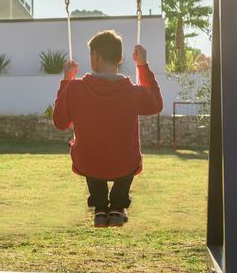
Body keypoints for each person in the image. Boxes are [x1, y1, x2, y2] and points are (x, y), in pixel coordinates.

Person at [52, 30, 163, 228]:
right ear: (120, 59)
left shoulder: (75, 89)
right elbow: (156, 104)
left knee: (89, 150)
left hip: (89, 164)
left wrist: (66, 81)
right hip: (124, 164)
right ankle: (118, 206)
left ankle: (100, 206)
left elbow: (61, 122)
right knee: (127, 154)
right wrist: (142, 66)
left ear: (93, 57)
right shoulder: (133, 92)